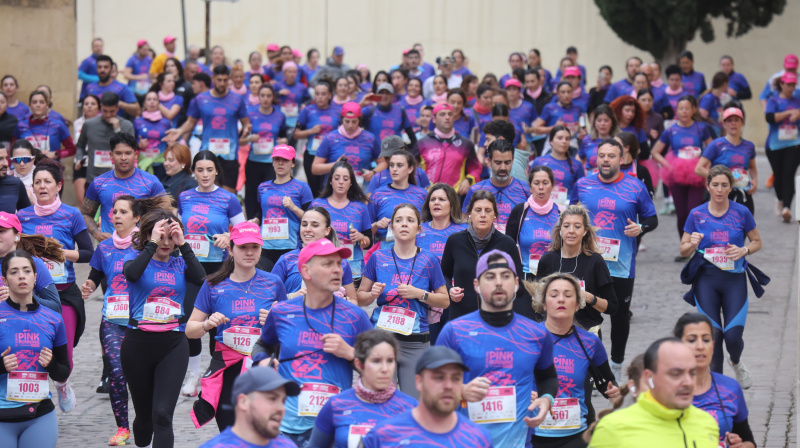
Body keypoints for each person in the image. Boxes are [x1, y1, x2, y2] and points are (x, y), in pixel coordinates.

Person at [250, 238, 372, 446]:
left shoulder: (355, 316)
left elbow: (380, 365)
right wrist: (262, 361)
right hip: (285, 428)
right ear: (306, 271)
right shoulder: (281, 312)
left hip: (332, 429)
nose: (338, 270)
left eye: (339, 264)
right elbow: (262, 345)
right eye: (328, 264)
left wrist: (350, 353)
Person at [435, 250, 557, 447]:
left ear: (517, 283)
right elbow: (430, 385)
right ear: (476, 285)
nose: (498, 283)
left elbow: (548, 377)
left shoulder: (537, 334)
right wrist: (460, 391)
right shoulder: (455, 332)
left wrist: (547, 398)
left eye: (505, 276)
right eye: (490, 277)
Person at [80, 194, 169, 445]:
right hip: (112, 319)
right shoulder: (105, 247)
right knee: (117, 372)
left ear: (137, 217)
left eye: (123, 212)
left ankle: (148, 417)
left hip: (143, 320)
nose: (116, 216)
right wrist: (89, 284)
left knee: (143, 375)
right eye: (114, 212)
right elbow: (96, 275)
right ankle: (122, 428)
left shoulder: (147, 245)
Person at [570, 139, 657, 380]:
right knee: (586, 315)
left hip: (621, 266)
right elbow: (570, 216)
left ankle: (617, 365)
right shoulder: (583, 185)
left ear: (622, 159)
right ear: (595, 159)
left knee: (619, 317)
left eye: (611, 156)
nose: (605, 160)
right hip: (587, 262)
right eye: (602, 155)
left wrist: (640, 228)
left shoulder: (635, 187)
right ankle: (597, 367)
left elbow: (652, 219)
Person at [186, 221, 286, 430]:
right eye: (242, 247)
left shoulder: (274, 282)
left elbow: (289, 332)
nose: (249, 252)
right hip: (228, 370)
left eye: (254, 247)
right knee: (232, 434)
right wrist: (206, 324)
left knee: (263, 432)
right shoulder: (213, 284)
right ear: (230, 249)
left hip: (262, 366)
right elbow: (190, 330)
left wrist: (275, 321)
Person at [120, 207, 205, 448]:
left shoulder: (180, 264)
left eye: (170, 237)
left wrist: (184, 244)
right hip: (137, 345)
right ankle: (142, 429)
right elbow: (133, 274)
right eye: (160, 236)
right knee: (145, 419)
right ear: (148, 235)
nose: (165, 243)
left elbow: (201, 279)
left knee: (163, 415)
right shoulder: (134, 262)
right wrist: (151, 244)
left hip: (173, 345)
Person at [18, 159, 95, 411]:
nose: (42, 186)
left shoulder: (71, 214)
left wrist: (62, 254)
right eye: (37, 182)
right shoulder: (22, 216)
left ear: (58, 185)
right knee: (32, 348)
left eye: (47, 182)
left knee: (66, 353)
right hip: (32, 296)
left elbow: (87, 252)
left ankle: (61, 384)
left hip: (64, 294)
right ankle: (32, 397)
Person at [680, 165, 762, 387]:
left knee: (733, 337)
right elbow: (683, 249)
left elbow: (757, 241)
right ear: (707, 186)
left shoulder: (741, 212)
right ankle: (717, 389)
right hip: (706, 280)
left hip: (734, 280)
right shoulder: (696, 214)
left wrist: (743, 250)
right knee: (714, 336)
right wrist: (692, 244)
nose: (719, 189)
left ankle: (736, 362)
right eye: (715, 185)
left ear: (730, 187)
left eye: (724, 185)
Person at [357, 204, 449, 397]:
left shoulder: (429, 260)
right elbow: (360, 298)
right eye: (398, 220)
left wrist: (420, 294)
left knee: (413, 404)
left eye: (410, 220)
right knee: (380, 400)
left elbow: (444, 301)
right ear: (392, 227)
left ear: (419, 228)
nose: (404, 224)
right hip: (382, 339)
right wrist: (372, 294)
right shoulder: (378, 256)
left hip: (416, 341)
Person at [176, 150, 246, 395]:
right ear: (193, 172)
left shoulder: (229, 199)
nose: (205, 174)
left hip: (219, 269)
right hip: (190, 267)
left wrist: (229, 236)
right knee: (191, 321)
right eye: (200, 170)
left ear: (216, 171)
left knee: (218, 323)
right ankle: (193, 374)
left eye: (209, 169)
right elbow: (177, 230)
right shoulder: (184, 197)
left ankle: (216, 374)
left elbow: (244, 231)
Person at [526, 272, 619, 448]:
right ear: (544, 304)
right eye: (554, 295)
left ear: (577, 304)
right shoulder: (526, 338)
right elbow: (505, 380)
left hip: (575, 435)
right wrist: (522, 393)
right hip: (532, 434)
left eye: (568, 295)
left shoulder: (590, 342)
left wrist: (615, 392)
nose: (561, 300)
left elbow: (606, 382)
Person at [589, 338, 719, 448]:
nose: (688, 382)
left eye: (692, 373)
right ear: (649, 377)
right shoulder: (612, 429)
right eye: (675, 374)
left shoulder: (707, 422)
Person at [0, 250, 70, 448]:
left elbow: (64, 370)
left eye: (26, 271)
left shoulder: (53, 319)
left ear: (35, 277)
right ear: (5, 280)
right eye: (14, 272)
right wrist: (1, 366)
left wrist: (51, 365)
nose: (21, 276)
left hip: (39, 416)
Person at [361, 345, 493, 447]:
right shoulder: (384, 435)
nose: (448, 386)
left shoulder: (478, 438)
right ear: (419, 381)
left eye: (456, 378)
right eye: (439, 377)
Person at [308, 330, 417, 447]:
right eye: (376, 361)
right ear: (360, 365)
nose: (385, 369)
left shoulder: (411, 407)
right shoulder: (336, 405)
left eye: (390, 361)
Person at [442, 190, 528, 323]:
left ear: (495, 215)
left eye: (488, 210)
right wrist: (450, 289)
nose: (483, 215)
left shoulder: (507, 244)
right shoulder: (455, 241)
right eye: (478, 210)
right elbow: (444, 275)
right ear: (469, 214)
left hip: (498, 318)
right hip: (461, 318)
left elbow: (520, 284)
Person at [165, 65, 252, 194]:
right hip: (208, 153)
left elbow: (246, 123)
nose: (222, 83)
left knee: (228, 196)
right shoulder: (200, 99)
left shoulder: (237, 100)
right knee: (209, 193)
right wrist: (179, 131)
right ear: (213, 79)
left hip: (230, 154)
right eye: (219, 80)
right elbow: (190, 122)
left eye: (224, 80)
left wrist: (246, 130)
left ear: (228, 79)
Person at [673, 313, 756, 448]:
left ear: (713, 345)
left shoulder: (731, 388)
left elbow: (749, 442)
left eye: (706, 340)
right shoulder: (665, 390)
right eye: (692, 340)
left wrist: (741, 445)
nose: (700, 346)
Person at [535, 203, 617, 332]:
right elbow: (537, 304)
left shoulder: (595, 261)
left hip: (588, 331)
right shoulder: (548, 259)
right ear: (560, 230)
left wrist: (589, 298)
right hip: (554, 332)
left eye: (577, 226)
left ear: (585, 231)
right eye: (566, 226)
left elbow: (612, 306)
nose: (571, 231)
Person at [651, 95, 713, 249]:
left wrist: (707, 165)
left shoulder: (701, 128)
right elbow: (655, 151)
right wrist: (668, 165)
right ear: (676, 110)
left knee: (693, 211)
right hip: (676, 174)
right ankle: (685, 246)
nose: (684, 111)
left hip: (697, 173)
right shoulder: (671, 130)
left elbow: (712, 149)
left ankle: (697, 245)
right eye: (680, 108)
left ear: (693, 110)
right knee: (681, 214)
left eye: (687, 108)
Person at [81, 133, 166, 241]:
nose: (123, 158)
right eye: (118, 153)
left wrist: (149, 238)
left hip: (141, 250)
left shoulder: (151, 182)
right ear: (111, 156)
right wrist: (97, 234)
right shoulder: (99, 183)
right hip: (108, 249)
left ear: (135, 155)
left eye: (128, 153)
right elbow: (85, 214)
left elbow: (165, 215)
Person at [198, 367, 300, 448]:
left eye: (283, 401)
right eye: (272, 399)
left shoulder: (288, 445)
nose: (281, 408)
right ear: (243, 401)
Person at [270, 207, 358, 301]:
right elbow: (268, 298)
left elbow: (353, 301)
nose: (308, 229)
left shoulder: (341, 261)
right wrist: (292, 297)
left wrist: (341, 302)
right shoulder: (286, 259)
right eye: (304, 224)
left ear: (327, 230)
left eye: (315, 225)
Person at [253, 145, 313, 271]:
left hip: (291, 248)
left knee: (288, 288)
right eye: (277, 159)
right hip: (266, 248)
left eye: (285, 160)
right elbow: (260, 213)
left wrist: (294, 208)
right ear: (272, 162)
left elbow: (312, 219)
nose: (280, 163)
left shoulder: (302, 187)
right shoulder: (262, 187)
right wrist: (256, 221)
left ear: (293, 163)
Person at [312, 160, 373, 280]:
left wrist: (361, 238)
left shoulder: (360, 207)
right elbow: (306, 237)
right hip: (323, 267)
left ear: (351, 183)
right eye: (337, 178)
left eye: (345, 179)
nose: (341, 182)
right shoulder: (317, 205)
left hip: (353, 269)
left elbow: (368, 243)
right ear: (330, 180)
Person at [696, 108, 757, 214]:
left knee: (744, 226)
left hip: (741, 192)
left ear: (742, 123)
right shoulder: (716, 144)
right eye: (729, 120)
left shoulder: (749, 146)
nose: (733, 123)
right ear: (724, 124)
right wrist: (720, 178)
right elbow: (698, 169)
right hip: (719, 193)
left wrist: (754, 181)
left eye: (736, 120)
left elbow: (752, 168)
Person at [463, 140, 530, 233]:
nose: (503, 167)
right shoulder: (475, 190)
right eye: (498, 163)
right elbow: (465, 222)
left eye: (507, 162)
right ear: (489, 161)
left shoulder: (526, 189)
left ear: (513, 161)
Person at [0, 212, 62, 312]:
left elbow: (56, 308)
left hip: (26, 326)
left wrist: (25, 298)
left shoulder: (34, 263)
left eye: (2, 231)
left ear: (17, 236)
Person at [505, 166, 559, 279]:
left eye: (545, 183)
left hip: (555, 277)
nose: (541, 187)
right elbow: (508, 247)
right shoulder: (519, 212)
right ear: (530, 187)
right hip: (524, 276)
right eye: (536, 183)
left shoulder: (561, 213)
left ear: (552, 186)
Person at [243, 84, 288, 218]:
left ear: (272, 97)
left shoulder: (280, 115)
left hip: (271, 162)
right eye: (262, 96)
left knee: (269, 194)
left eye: (269, 96)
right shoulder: (250, 113)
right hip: (253, 161)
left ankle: (266, 220)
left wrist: (284, 141)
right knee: (251, 194)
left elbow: (284, 135)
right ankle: (252, 222)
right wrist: (250, 137)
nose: (266, 99)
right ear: (258, 96)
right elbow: (241, 138)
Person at [369, 150, 428, 250]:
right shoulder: (377, 194)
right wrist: (376, 225)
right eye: (392, 165)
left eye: (399, 165)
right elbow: (364, 237)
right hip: (385, 248)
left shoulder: (422, 194)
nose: (394, 169)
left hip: (416, 247)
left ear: (410, 169)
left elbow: (432, 227)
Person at [416, 103, 481, 194]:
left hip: (455, 197)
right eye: (442, 114)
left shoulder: (465, 144)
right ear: (434, 119)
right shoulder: (422, 143)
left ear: (454, 118)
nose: (447, 117)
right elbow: (411, 168)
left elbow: (476, 168)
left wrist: (468, 180)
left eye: (450, 114)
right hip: (427, 196)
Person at [313, 102, 382, 186]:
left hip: (361, 189)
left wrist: (373, 173)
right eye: (347, 121)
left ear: (359, 121)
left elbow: (383, 163)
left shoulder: (370, 138)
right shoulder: (330, 138)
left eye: (354, 121)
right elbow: (315, 168)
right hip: (335, 190)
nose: (350, 125)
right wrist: (335, 165)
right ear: (342, 120)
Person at [75, 91, 136, 184]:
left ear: (117, 108)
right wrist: (79, 158)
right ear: (101, 107)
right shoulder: (89, 124)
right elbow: (80, 146)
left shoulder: (127, 126)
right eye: (105, 111)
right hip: (93, 179)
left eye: (112, 111)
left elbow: (130, 150)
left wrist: (117, 130)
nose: (108, 115)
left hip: (119, 180)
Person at [295, 80, 342, 197]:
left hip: (331, 157)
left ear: (330, 95)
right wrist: (311, 131)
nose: (320, 97)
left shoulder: (337, 111)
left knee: (329, 190)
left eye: (323, 94)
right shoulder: (307, 110)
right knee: (315, 191)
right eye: (317, 94)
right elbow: (296, 135)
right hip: (312, 155)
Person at [764, 71, 800, 223]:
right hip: (775, 145)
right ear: (781, 84)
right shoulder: (774, 100)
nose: (791, 87)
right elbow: (769, 117)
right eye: (788, 84)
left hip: (794, 143)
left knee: (789, 174)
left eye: (793, 85)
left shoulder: (798, 99)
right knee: (778, 175)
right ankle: (780, 198)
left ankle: (787, 208)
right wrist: (788, 113)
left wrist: (798, 112)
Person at [531, 126, 585, 207]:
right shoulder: (539, 162)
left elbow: (582, 191)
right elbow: (530, 187)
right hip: (542, 206)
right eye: (560, 138)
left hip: (567, 208)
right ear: (551, 141)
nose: (564, 141)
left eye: (567, 139)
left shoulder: (577, 165)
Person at [14, 91, 75, 161]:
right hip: (26, 168)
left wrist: (56, 154)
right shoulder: (21, 125)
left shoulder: (58, 125)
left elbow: (72, 149)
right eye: (34, 102)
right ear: (30, 106)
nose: (38, 105)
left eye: (42, 102)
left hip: (51, 168)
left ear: (47, 105)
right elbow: (13, 149)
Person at [533, 82, 586, 153]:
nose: (566, 95)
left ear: (573, 93)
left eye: (569, 92)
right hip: (553, 146)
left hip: (573, 146)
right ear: (557, 94)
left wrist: (581, 131)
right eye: (563, 92)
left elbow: (580, 125)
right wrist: (554, 127)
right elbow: (537, 129)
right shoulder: (549, 108)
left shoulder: (578, 108)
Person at [361, 83, 417, 148]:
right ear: (377, 95)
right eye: (381, 93)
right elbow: (349, 118)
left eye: (387, 93)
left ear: (392, 96)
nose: (384, 96)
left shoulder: (400, 111)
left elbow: (412, 138)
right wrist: (361, 104)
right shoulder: (369, 111)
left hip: (395, 155)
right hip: (375, 155)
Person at [133, 91, 172, 176]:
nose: (152, 102)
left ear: (159, 103)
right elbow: (131, 142)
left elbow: (171, 142)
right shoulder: (137, 121)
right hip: (142, 163)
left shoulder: (166, 123)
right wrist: (139, 145)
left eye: (155, 99)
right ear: (144, 103)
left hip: (160, 163)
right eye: (149, 99)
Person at [579, 105, 618, 173]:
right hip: (590, 177)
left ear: (612, 122)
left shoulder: (618, 140)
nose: (602, 124)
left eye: (606, 120)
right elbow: (580, 158)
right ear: (594, 122)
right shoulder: (587, 139)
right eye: (599, 120)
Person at [274, 62, 310, 129]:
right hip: (281, 119)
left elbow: (309, 99)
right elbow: (270, 98)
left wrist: (305, 104)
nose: (292, 74)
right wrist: (278, 93)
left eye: (294, 72)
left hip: (296, 119)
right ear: (284, 73)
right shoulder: (277, 85)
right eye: (289, 72)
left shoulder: (302, 87)